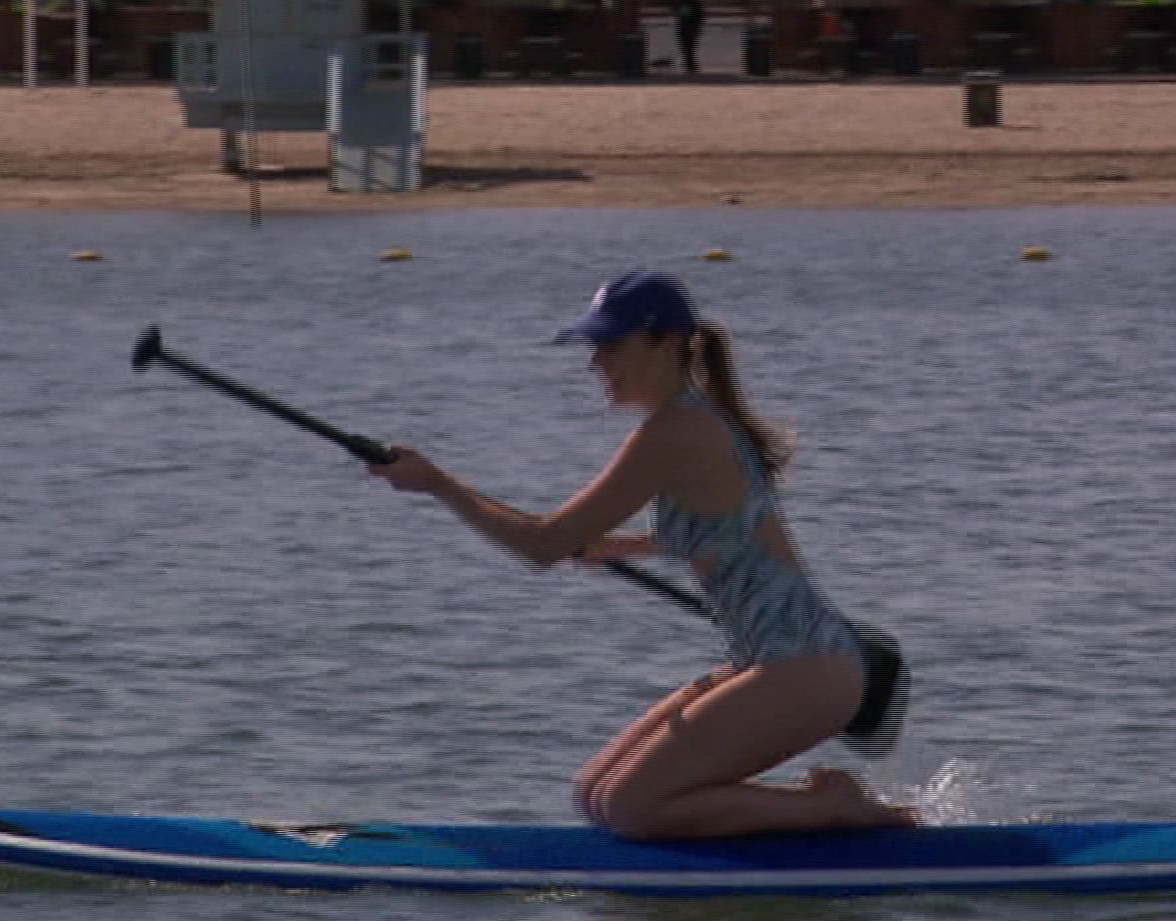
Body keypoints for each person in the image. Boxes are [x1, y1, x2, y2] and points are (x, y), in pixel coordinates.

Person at [368, 270, 916, 842]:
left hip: (804, 666)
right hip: (783, 661)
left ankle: (829, 806)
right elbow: (732, 527)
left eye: (612, 345)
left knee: (634, 807)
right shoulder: (698, 421)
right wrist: (623, 545)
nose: (596, 363)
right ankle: (778, 815)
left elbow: (542, 546)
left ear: (668, 343)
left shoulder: (677, 431)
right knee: (596, 795)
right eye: (594, 347)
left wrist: (438, 485)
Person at [673, 0, 705, 76]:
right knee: (688, 47)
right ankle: (689, 64)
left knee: (687, 47)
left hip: (687, 28)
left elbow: (679, 14)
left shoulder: (688, 3)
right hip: (689, 28)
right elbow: (699, 16)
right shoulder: (693, 3)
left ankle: (689, 64)